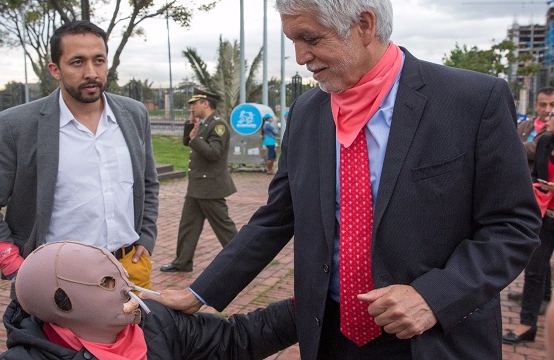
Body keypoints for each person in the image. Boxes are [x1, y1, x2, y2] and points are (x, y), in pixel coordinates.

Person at [143, 1, 541, 359]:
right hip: (330, 336)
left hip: (437, 337)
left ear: (364, 26)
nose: (300, 57)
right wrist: (200, 292)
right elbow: (277, 216)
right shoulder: (307, 112)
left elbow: (513, 225)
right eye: (292, 41)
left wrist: (434, 297)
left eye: (310, 38)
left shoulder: (471, 99)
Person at [0, 20, 159, 294]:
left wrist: (147, 237)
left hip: (130, 268)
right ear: (55, 69)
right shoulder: (17, 125)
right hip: (58, 279)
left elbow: (148, 184)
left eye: (99, 60)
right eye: (77, 62)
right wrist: (15, 266)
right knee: (55, 340)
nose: (91, 72)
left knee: (142, 337)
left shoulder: (134, 114)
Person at [0, 241, 298, 360]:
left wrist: (311, 307)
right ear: (63, 303)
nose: (128, 290)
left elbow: (236, 338)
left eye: (122, 276)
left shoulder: (156, 319)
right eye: (108, 283)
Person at [159, 89, 238, 273]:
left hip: (210, 187)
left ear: (205, 103)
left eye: (194, 103)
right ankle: (182, 263)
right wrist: (190, 124)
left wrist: (195, 138)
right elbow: (188, 141)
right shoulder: (204, 123)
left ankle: (243, 260)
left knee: (224, 228)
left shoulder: (218, 125)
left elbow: (214, 153)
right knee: (188, 226)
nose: (191, 107)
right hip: (197, 186)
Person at [503, 114, 554, 344]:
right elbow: (534, 173)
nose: (549, 117)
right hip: (545, 215)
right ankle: (527, 325)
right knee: (534, 271)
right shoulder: (545, 142)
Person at [519, 86, 554, 170]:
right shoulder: (525, 125)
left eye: (552, 105)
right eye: (543, 105)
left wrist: (514, 146)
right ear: (535, 106)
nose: (547, 110)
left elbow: (536, 150)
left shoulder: (551, 129)